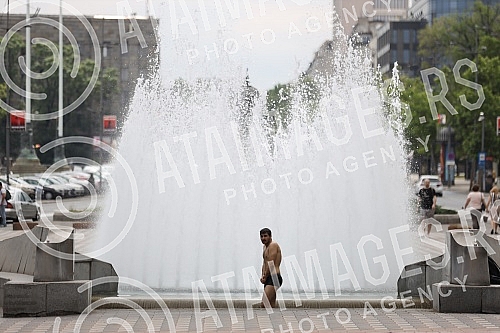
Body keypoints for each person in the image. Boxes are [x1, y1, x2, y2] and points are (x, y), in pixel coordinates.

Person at [259, 228, 282, 308]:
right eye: (261, 236)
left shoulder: (273, 245)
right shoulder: (265, 247)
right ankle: (274, 320)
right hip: (269, 277)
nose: (263, 238)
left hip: (274, 277)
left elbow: (270, 264)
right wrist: (263, 275)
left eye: (265, 236)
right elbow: (264, 263)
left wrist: (265, 276)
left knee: (264, 304)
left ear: (270, 236)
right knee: (271, 306)